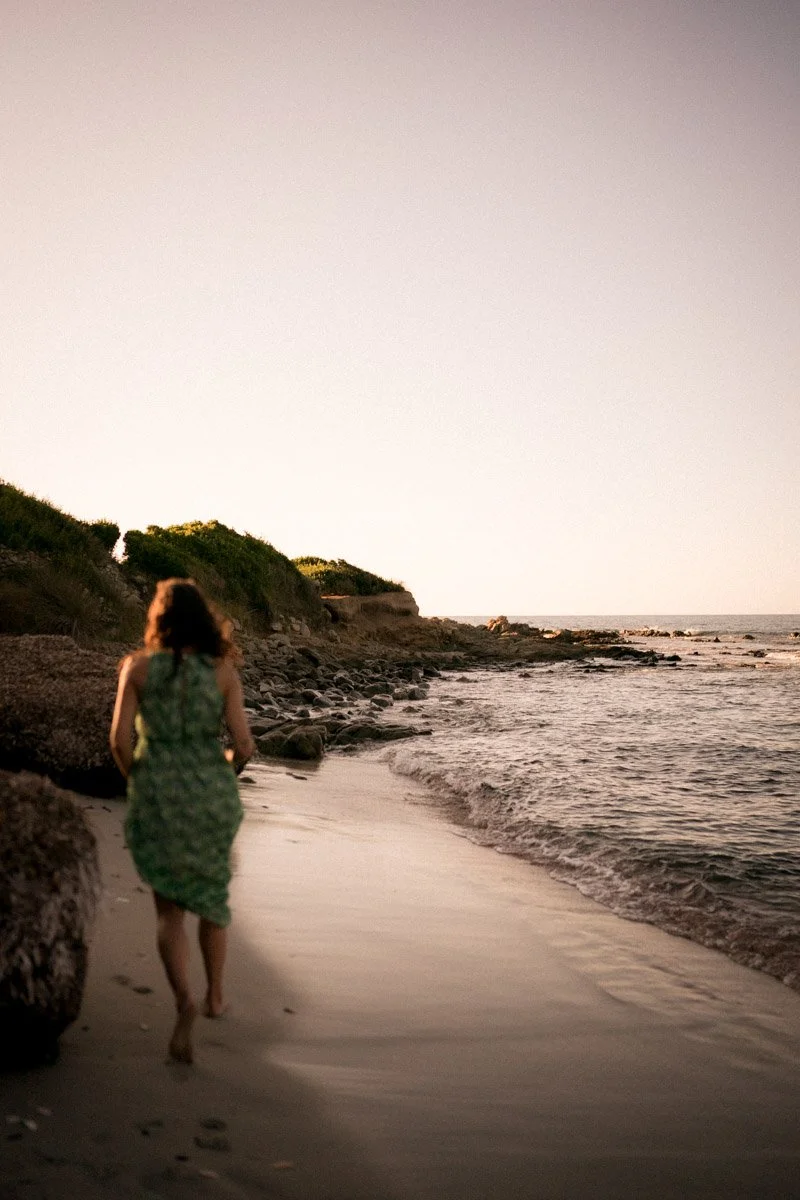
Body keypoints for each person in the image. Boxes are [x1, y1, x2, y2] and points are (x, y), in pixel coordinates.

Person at [109, 578, 255, 1064]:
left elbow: (118, 742)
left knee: (168, 911)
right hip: (211, 793)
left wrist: (140, 781)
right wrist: (224, 770)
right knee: (212, 897)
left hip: (159, 792)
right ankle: (216, 995)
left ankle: (184, 1002)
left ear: (159, 619)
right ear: (202, 619)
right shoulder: (223, 672)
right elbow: (244, 744)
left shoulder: (138, 668)